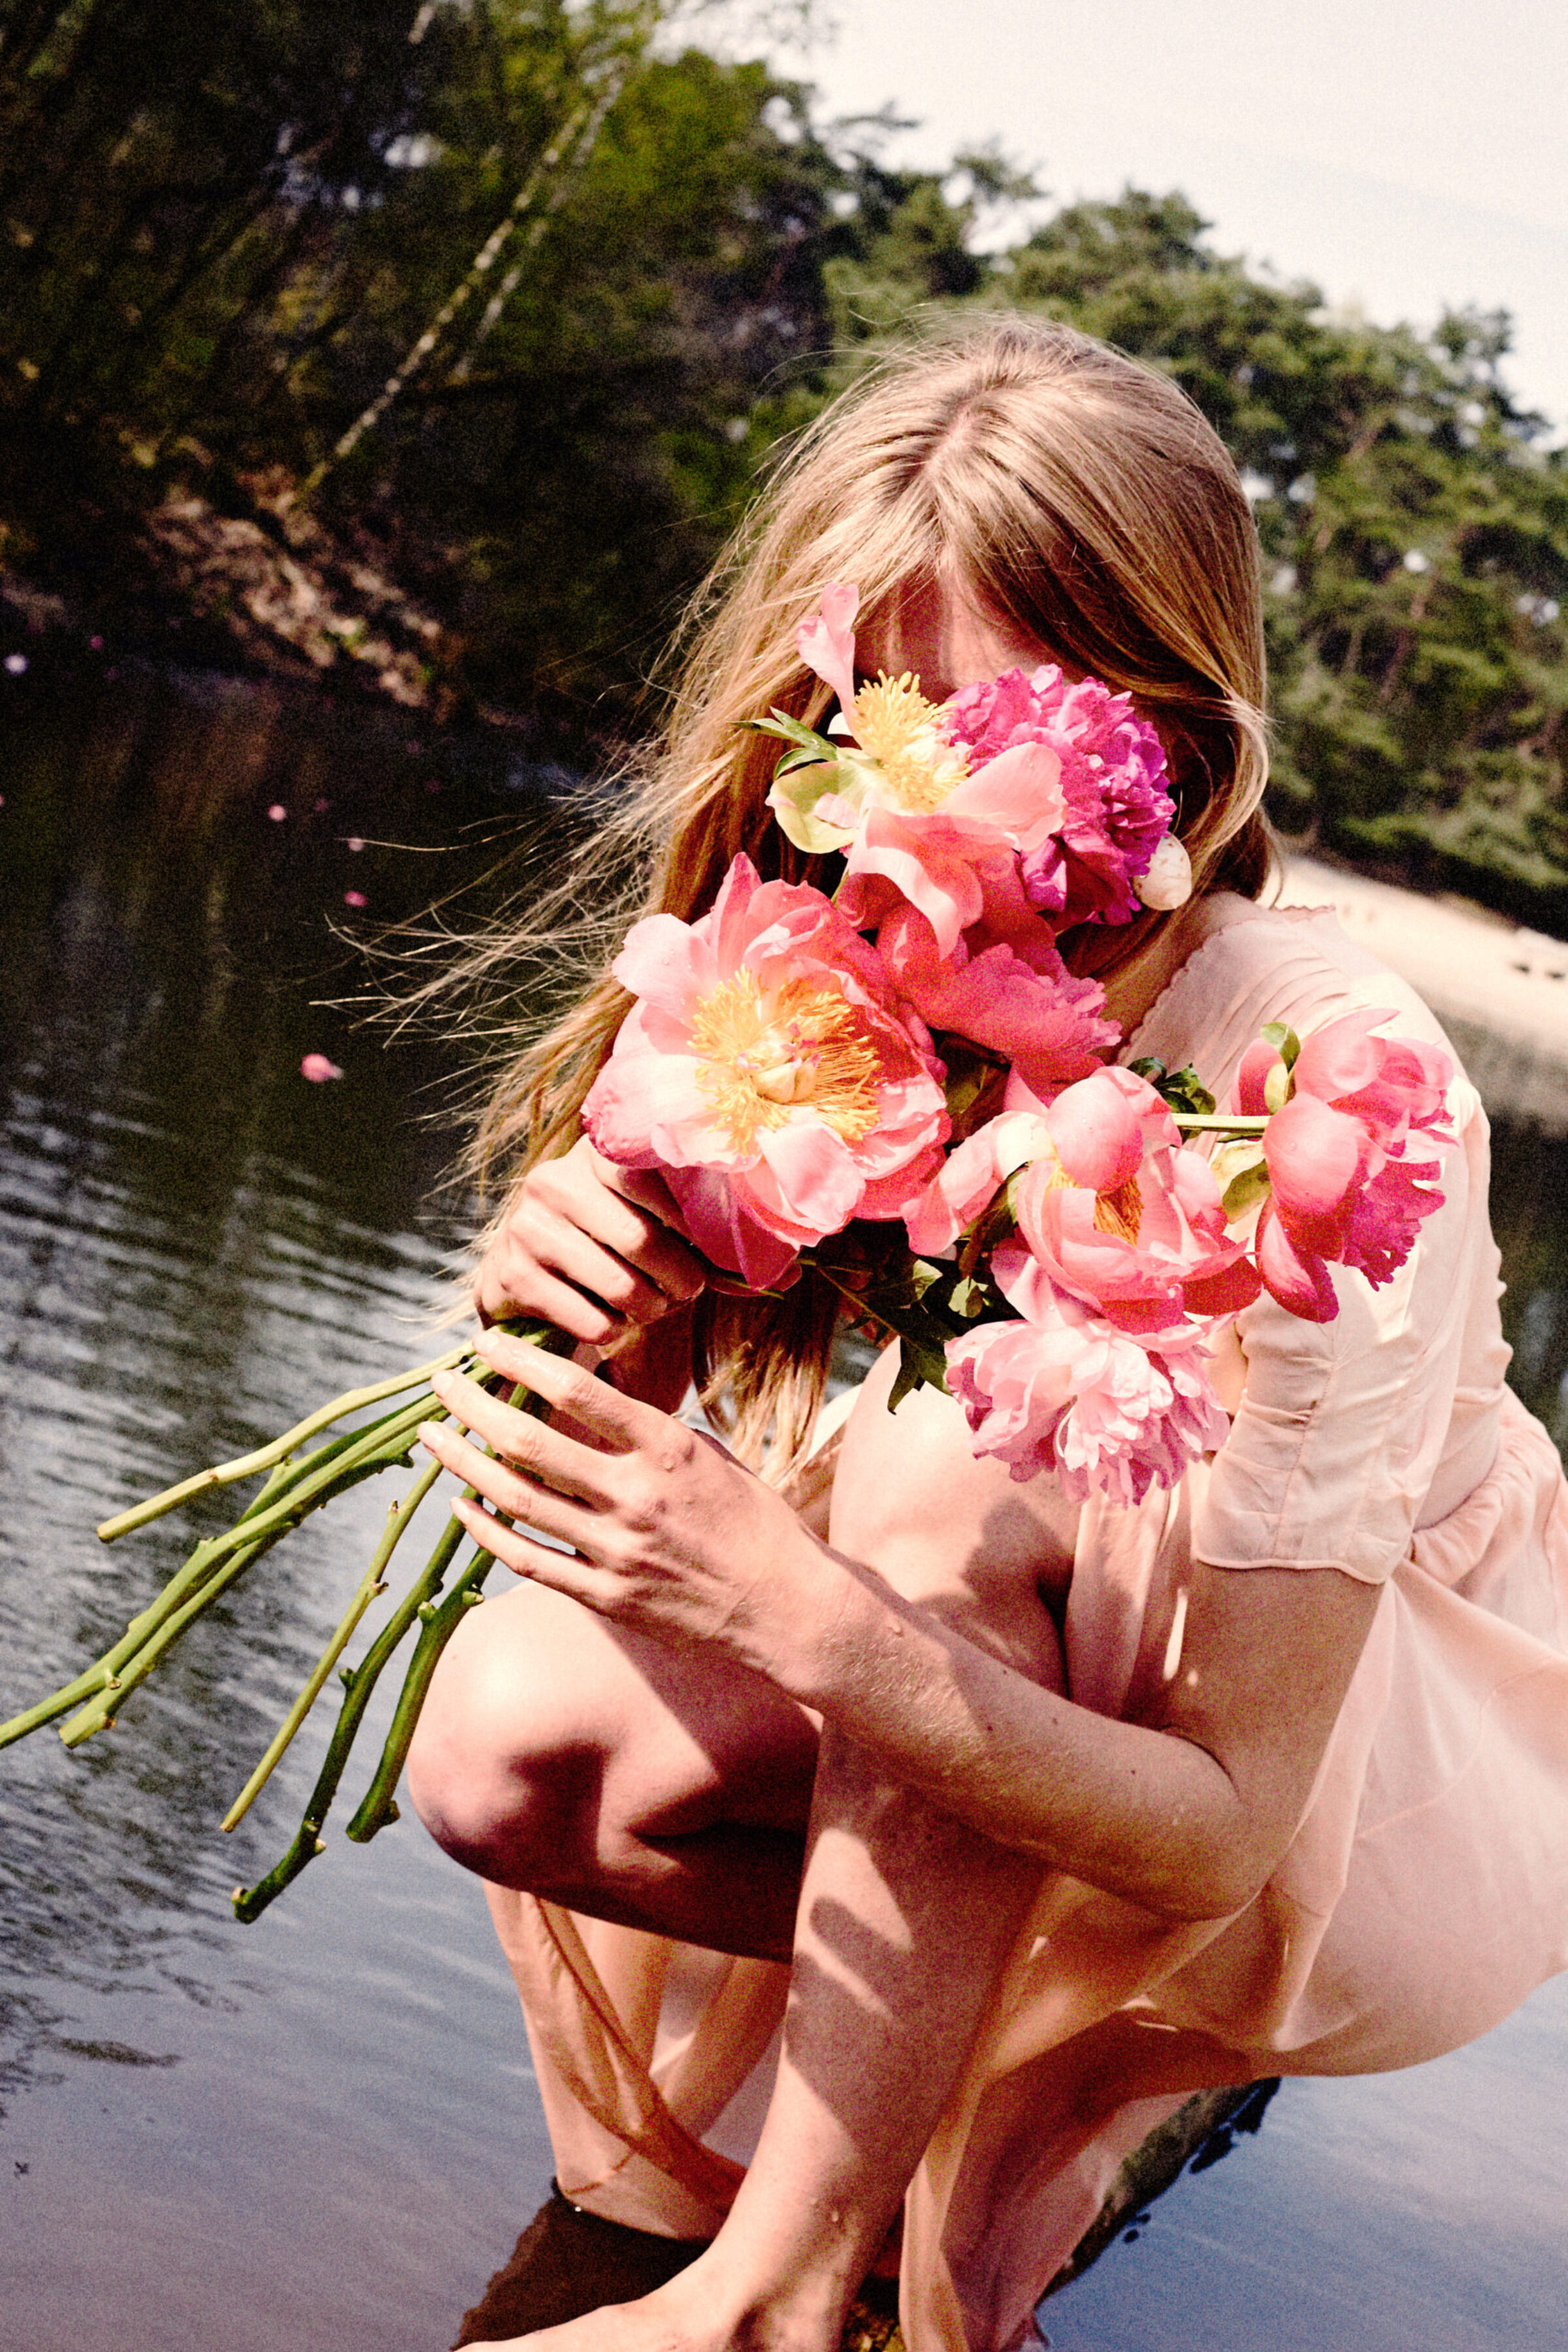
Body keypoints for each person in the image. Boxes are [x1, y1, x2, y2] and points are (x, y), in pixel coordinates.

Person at [406, 321, 1568, 2352]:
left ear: (1167, 746)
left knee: (953, 1460)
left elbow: (1231, 1816)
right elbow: (585, 1568)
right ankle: (991, 2043)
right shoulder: (852, 951)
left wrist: (798, 1609)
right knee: (505, 1733)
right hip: (1005, 1668)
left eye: (988, 735)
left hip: (1350, 1777)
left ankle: (773, 2292)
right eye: (873, 724)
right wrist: (579, 1319)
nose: (911, 801)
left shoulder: (1326, 1084)